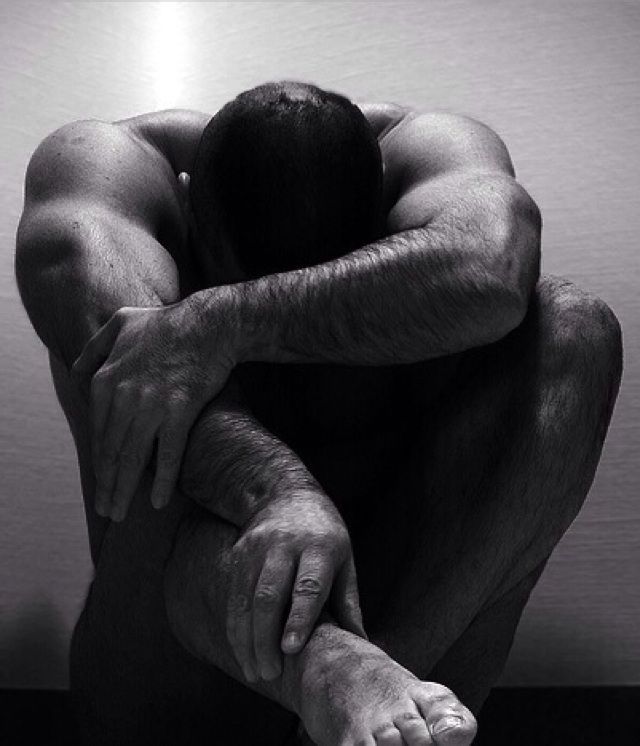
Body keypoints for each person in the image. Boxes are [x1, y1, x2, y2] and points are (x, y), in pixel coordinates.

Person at [14, 80, 622, 746]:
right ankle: (339, 672)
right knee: (155, 427)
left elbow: (493, 272)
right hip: (170, 684)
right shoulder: (107, 169)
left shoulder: (429, 151)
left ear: (388, 217)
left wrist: (227, 320)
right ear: (188, 211)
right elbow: (129, 361)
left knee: (575, 330)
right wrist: (280, 492)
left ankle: (381, 698)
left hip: (410, 654)